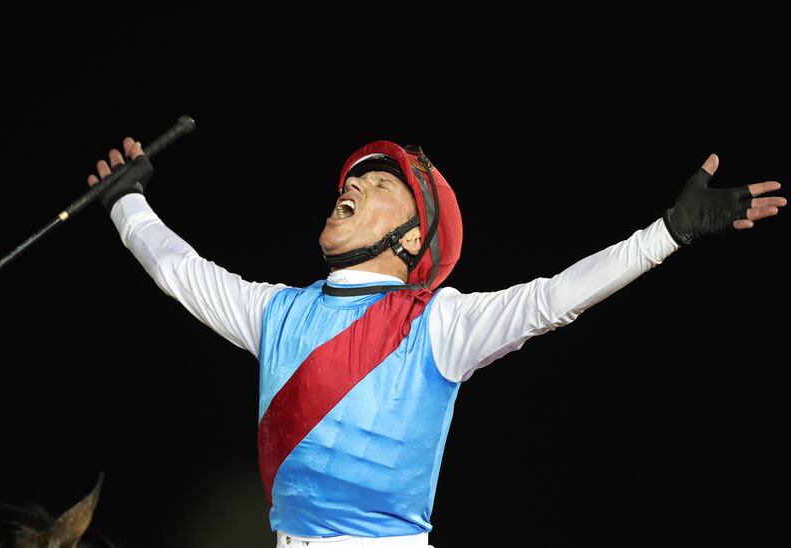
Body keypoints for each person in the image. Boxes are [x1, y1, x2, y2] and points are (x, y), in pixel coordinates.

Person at [87, 137, 784, 548]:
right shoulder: (275, 313)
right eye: (351, 178)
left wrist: (665, 235)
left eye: (378, 181)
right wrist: (126, 200)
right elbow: (181, 272)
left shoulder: (437, 324)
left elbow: (549, 302)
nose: (352, 182)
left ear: (413, 237)